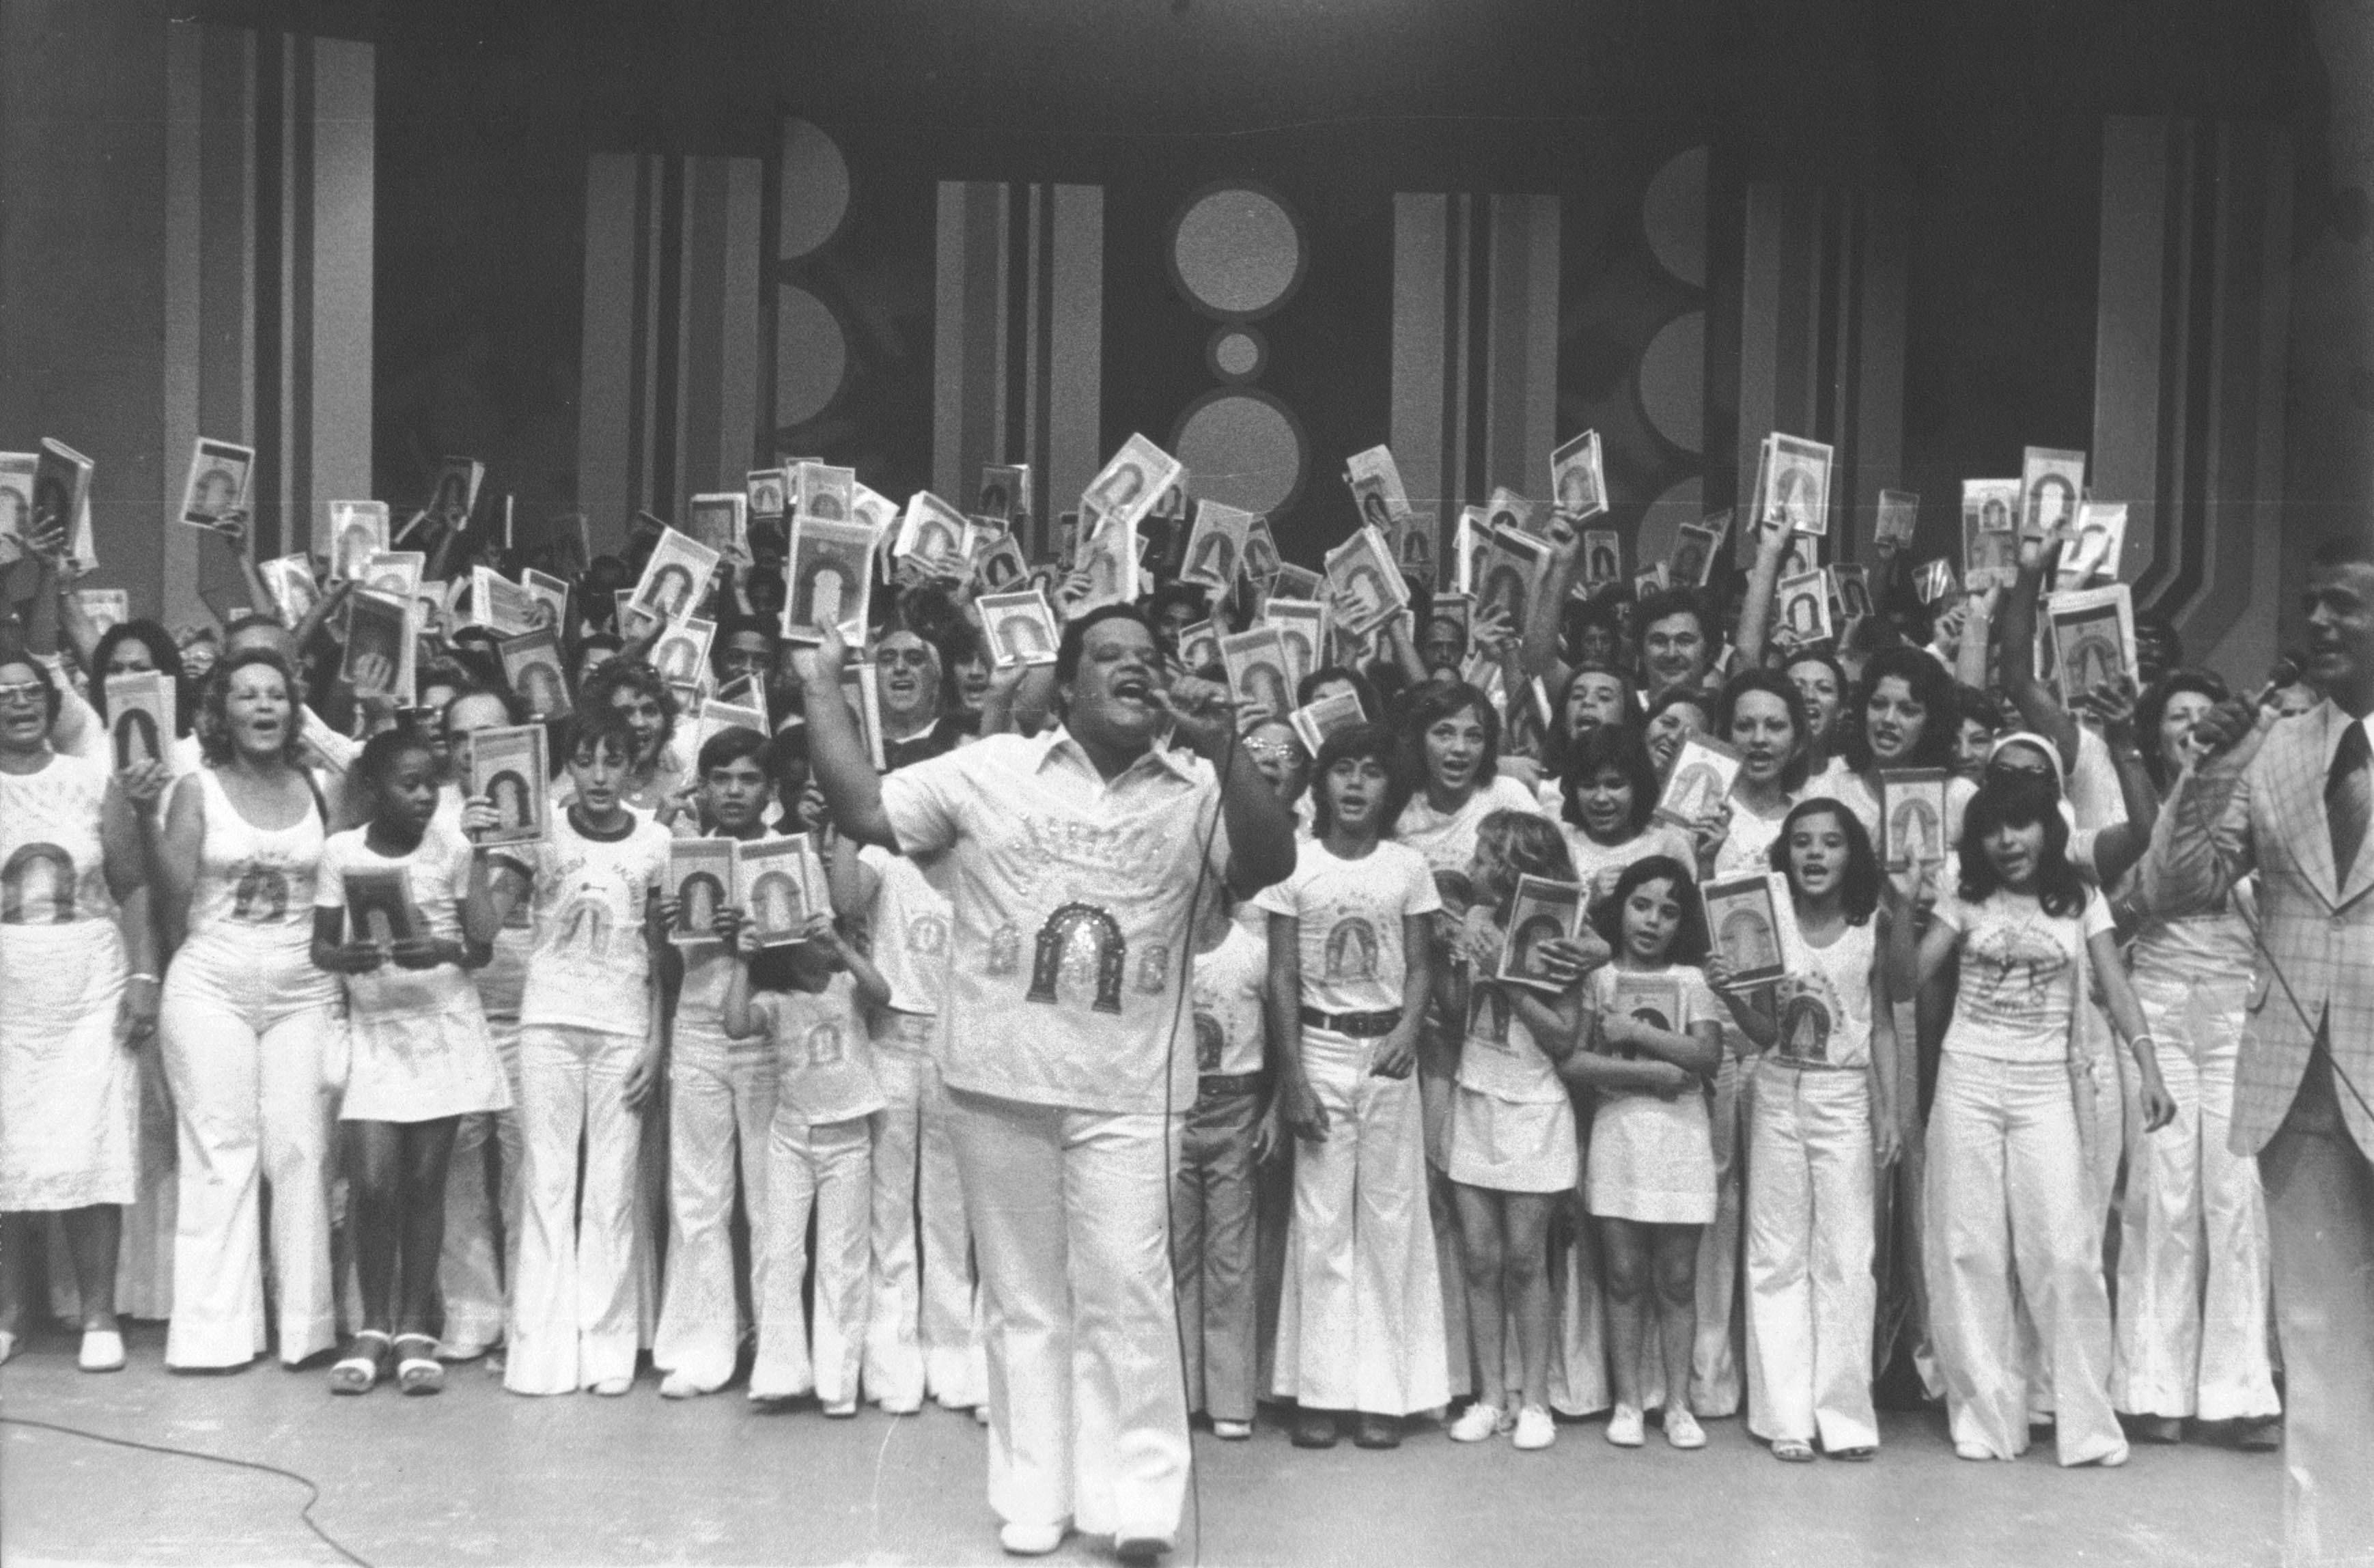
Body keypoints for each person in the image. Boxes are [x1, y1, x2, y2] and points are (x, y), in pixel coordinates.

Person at [801, 605, 1296, 1560]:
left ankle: (1137, 1500)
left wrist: (1225, 745)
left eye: (1148, 656)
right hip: (998, 1079)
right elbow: (865, 813)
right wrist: (821, 684)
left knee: (1129, 1291)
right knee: (1025, 1300)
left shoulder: (1199, 786)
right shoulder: (990, 769)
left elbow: (1269, 862)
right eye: (1108, 655)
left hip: (1132, 1088)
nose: (1133, 667)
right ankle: (1035, 1494)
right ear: (1065, 686)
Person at [2142, 536, 2374, 1563]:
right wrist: (2206, 770)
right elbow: (2172, 888)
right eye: (2311, 603)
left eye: (2345, 605)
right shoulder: (2272, 745)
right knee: (2320, 1356)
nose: (2317, 622)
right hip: (2301, 1089)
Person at [1910, 775, 2173, 1466]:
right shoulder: (1962, 893)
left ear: (2048, 830)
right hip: (1967, 1080)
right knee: (1968, 1250)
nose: (2007, 841)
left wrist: (2148, 1067)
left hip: (2045, 1088)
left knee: (2065, 1254)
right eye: (1993, 829)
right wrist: (1898, 912)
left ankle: (2087, 1426)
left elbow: (2115, 986)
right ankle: (1985, 1420)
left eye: (2021, 825)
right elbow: (1907, 981)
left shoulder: (2080, 897)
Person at [141, 650, 339, 1371]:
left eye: (276, 696)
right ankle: (211, 1337)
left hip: (304, 989)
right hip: (210, 986)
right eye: (247, 696)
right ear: (221, 712)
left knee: (302, 1151)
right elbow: (171, 891)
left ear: (295, 709)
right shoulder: (197, 788)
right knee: (221, 1153)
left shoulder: (319, 786)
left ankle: (306, 1331)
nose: (263, 708)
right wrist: (143, 812)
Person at [1260, 725, 1445, 1451]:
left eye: (1371, 771)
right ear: (1322, 783)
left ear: (1388, 787)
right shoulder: (1295, 864)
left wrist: (1407, 1030)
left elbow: (1421, 965)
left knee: (1390, 1222)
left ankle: (1383, 1395)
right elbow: (1281, 976)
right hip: (1321, 1048)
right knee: (1322, 1225)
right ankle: (1321, 1392)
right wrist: (1293, 1076)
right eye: (1343, 770)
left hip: (1388, 1054)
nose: (1356, 784)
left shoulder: (1408, 866)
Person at [2109, 671, 2281, 1448]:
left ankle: (2240, 1392)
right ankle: (2152, 1388)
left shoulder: (2261, 808)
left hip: (2237, 1012)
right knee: (2160, 1194)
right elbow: (2118, 917)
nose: (2190, 726)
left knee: (2235, 1195)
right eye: (2176, 717)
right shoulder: (2141, 817)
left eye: (2204, 716)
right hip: (2159, 1009)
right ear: (2157, 736)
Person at [311, 729, 508, 1395]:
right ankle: (373, 1325)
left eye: (431, 783)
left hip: (441, 1027)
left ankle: (415, 1329)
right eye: (409, 784)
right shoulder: (341, 851)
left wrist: (443, 950)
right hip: (377, 1032)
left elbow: (480, 947)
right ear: (374, 788)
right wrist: (348, 957)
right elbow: (319, 948)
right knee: (372, 1184)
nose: (425, 795)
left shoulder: (454, 846)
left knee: (425, 1185)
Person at [486, 710, 672, 1397]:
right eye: (585, 759)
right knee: (546, 1184)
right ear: (566, 764)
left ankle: (607, 1348)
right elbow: (481, 925)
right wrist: (483, 849)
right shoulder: (539, 832)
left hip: (623, 1028)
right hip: (548, 1025)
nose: (598, 775)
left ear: (633, 766)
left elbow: (662, 954)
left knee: (612, 1191)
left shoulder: (656, 840)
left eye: (612, 760)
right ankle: (539, 1353)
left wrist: (657, 1039)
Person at [1715, 799, 1899, 1461]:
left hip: (1843, 1097)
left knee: (1846, 1256)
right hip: (1775, 1092)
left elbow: (1882, 1023)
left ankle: (1845, 1418)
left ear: (1852, 854)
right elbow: (1765, 1031)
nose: (1814, 853)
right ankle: (1785, 1417)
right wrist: (1731, 993)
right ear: (1784, 853)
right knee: (1776, 1254)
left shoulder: (1870, 925)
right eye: (1801, 842)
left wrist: (1890, 1111)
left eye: (1830, 842)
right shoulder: (1767, 920)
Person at [0, 654, 158, 1373]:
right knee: (7, 1151)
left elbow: (134, 887)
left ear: (52, 700)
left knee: (93, 1147)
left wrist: (144, 975)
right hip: (8, 990)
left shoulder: (94, 781)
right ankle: (10, 1313)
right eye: (4, 694)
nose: (19, 703)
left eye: (30, 691)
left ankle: (98, 1312)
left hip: (89, 987)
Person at [1439, 811, 1601, 1450]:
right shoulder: (1476, 919)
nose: (1472, 867)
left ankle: (1535, 1401)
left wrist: (1503, 971)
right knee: (1480, 1260)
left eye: (1483, 858)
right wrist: (1450, 958)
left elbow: (1562, 1036)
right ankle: (1490, 1396)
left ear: (1513, 869)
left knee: (1527, 1261)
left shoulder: (1559, 930)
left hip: (1534, 1108)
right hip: (1475, 1097)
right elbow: (1458, 1012)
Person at [1568, 856, 1724, 1449]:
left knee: (1678, 1280)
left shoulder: (1692, 980)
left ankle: (1679, 1402)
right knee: (1625, 1275)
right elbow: (1576, 1060)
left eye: (1669, 911)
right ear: (1621, 908)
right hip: (1619, 1135)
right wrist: (1653, 1073)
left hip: (1681, 1139)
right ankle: (1629, 1401)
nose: (1652, 921)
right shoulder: (1600, 978)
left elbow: (1707, 1057)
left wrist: (1635, 1034)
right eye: (1641, 905)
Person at [651, 727, 784, 1399]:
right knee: (698, 1195)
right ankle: (704, 1344)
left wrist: (755, 942)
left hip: (767, 1035)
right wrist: (663, 921)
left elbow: (808, 964)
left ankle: (777, 1346)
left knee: (769, 1198)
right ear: (701, 786)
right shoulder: (681, 856)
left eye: (748, 779)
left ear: (770, 789)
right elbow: (663, 964)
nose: (734, 791)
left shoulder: (787, 854)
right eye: (721, 779)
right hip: (698, 1030)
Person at [721, 900, 890, 1412]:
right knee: (782, 1255)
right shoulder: (775, 1000)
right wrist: (743, 962)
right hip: (791, 1140)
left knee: (841, 1258)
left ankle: (837, 1384)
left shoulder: (847, 987)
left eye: (820, 940)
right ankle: (779, 1373)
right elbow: (735, 1025)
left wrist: (841, 945)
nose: (815, 950)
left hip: (847, 1139)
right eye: (805, 944)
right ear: (786, 956)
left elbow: (883, 992)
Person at [432, 689, 536, 1363]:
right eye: (461, 738)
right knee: (459, 1168)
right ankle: (471, 1316)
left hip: (534, 1015)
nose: (476, 750)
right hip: (457, 1008)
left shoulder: (545, 809)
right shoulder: (431, 814)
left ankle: (530, 1318)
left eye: (491, 733)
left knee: (528, 1174)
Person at [1173, 888, 1270, 1441]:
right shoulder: (1168, 950)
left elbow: (1279, 1034)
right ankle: (1183, 1391)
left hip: (1236, 1111)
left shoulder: (1251, 953)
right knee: (1178, 1252)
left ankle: (1230, 1396)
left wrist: (1274, 1109)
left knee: (1229, 1256)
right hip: (1179, 1110)